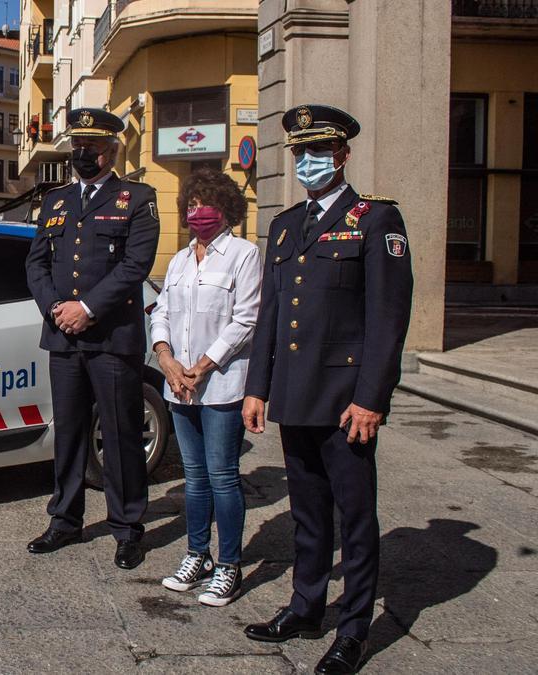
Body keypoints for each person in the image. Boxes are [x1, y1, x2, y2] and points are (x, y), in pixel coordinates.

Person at [241, 104, 413, 675]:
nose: (308, 162)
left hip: (345, 403)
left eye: (318, 152)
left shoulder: (375, 219)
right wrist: (257, 386)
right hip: (295, 394)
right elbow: (271, 314)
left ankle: (356, 631)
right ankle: (306, 606)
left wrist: (372, 398)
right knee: (309, 513)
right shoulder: (288, 225)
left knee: (355, 518)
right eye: (300, 153)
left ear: (342, 155)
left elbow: (388, 319)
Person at [25, 108, 160, 570]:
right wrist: (56, 309)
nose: (83, 154)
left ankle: (127, 526)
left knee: (121, 434)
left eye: (92, 148)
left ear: (111, 151)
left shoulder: (136, 198)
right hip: (63, 338)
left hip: (112, 338)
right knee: (69, 431)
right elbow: (36, 263)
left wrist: (86, 308)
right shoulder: (56, 201)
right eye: (77, 147)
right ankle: (65, 518)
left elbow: (135, 266)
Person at [150, 168, 260, 607]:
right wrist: (165, 357)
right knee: (194, 479)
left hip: (221, 387)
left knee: (222, 477)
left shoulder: (243, 254)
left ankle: (230, 565)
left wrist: (204, 364)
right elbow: (160, 311)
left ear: (226, 208)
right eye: (191, 204)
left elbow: (247, 319)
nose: (197, 211)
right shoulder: (178, 260)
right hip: (180, 386)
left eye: (205, 203)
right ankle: (198, 554)